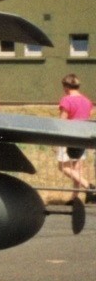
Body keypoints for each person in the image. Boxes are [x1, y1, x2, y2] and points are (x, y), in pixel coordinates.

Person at [58, 74, 93, 202]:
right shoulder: (87, 101)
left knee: (63, 167)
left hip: (69, 136)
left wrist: (56, 140)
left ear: (66, 87)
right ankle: (75, 198)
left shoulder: (66, 100)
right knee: (77, 168)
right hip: (82, 136)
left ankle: (89, 186)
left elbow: (62, 120)